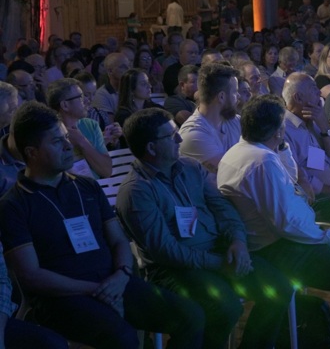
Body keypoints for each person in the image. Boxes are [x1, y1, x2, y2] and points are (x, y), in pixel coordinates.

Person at [0, 102, 204, 348]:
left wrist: (121, 275)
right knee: (123, 337)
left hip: (113, 281)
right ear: (32, 152)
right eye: (57, 142)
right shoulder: (14, 204)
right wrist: (96, 289)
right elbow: (31, 276)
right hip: (63, 296)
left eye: (66, 137)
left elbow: (119, 240)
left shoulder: (87, 186)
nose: (68, 146)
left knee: (190, 316)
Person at [219, 95, 330, 349]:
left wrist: (283, 147)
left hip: (286, 241)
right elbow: (286, 223)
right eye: (283, 127)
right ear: (278, 129)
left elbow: (290, 184)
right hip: (281, 249)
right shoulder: (261, 161)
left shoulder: (243, 151)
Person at [117, 108, 292, 349]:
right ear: (151, 148)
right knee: (225, 306)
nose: (180, 140)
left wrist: (238, 242)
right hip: (174, 270)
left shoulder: (190, 167)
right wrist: (219, 263)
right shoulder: (136, 191)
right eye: (171, 136)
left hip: (218, 252)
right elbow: (165, 251)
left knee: (279, 288)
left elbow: (223, 208)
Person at [283, 72, 330, 222]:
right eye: (313, 88)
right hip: (318, 202)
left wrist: (323, 125)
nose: (319, 92)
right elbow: (299, 178)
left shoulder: (315, 118)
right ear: (298, 97)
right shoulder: (284, 131)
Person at [178, 63, 242, 172]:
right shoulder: (193, 134)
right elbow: (232, 174)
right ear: (221, 97)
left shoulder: (234, 120)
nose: (239, 96)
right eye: (235, 92)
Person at [47, 78, 112, 179]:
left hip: (95, 190)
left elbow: (107, 171)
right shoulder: (49, 133)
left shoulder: (91, 125)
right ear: (65, 105)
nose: (87, 100)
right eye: (81, 97)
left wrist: (82, 141)